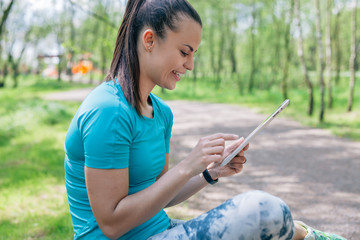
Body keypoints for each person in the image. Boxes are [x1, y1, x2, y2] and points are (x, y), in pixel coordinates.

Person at [64, 0, 347, 239]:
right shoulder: (108, 111)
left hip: (162, 230)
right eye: (184, 52)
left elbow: (161, 193)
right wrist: (188, 164)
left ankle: (305, 235)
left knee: (264, 218)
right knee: (264, 209)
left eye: (193, 54)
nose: (190, 65)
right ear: (149, 40)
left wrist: (210, 172)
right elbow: (112, 224)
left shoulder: (161, 112)